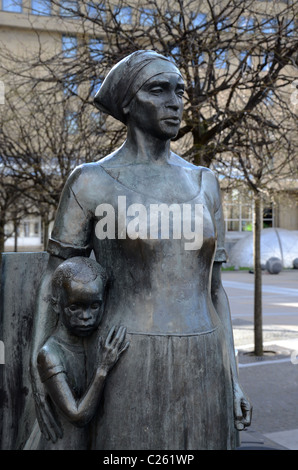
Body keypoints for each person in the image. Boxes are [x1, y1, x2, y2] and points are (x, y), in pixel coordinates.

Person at [30, 50, 252, 450]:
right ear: (129, 104)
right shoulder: (91, 181)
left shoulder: (204, 181)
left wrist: (233, 378)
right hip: (127, 357)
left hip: (204, 359)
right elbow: (54, 278)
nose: (175, 101)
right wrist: (39, 365)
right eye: (158, 89)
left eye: (179, 91)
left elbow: (215, 290)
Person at [25, 257, 128, 450]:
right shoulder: (49, 355)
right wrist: (103, 368)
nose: (86, 316)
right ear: (56, 305)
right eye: (74, 308)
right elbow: (77, 414)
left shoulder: (92, 341)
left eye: (94, 306)